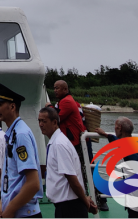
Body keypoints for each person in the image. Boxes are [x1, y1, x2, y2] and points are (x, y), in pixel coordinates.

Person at [50, 80, 108, 211]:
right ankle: (90, 198)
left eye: (57, 88)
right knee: (83, 171)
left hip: (79, 143)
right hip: (75, 142)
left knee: (87, 171)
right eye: (54, 88)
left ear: (65, 89)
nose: (55, 90)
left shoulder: (67, 102)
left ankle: (100, 200)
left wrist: (50, 108)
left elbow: (57, 118)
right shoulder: (67, 101)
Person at [0, 83, 43, 218]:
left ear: (12, 107)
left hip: (23, 213)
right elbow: (12, 175)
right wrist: (3, 203)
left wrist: (9, 210)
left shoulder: (20, 135)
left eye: (0, 105)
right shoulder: (13, 132)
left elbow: (33, 183)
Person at [38, 107, 96, 218]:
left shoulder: (59, 144)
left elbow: (71, 178)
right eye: (39, 121)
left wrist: (85, 202)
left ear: (55, 122)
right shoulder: (56, 141)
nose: (41, 124)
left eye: (44, 121)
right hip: (66, 205)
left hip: (70, 207)